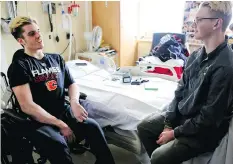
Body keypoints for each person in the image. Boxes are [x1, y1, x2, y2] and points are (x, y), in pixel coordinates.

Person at [7, 16, 115, 164]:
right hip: (38, 121)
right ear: (21, 41)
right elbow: (27, 106)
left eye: (38, 31)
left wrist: (75, 103)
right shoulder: (19, 66)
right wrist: (60, 124)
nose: (38, 35)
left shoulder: (56, 59)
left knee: (93, 127)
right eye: (32, 34)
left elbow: (72, 84)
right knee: (58, 144)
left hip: (62, 111)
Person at [137, 1, 233, 164]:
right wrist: (168, 123)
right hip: (185, 118)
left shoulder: (226, 66)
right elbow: (179, 92)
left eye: (199, 20)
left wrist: (175, 133)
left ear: (217, 23)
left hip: (204, 131)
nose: (192, 24)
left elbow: (208, 119)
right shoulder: (195, 56)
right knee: (144, 127)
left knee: (159, 157)